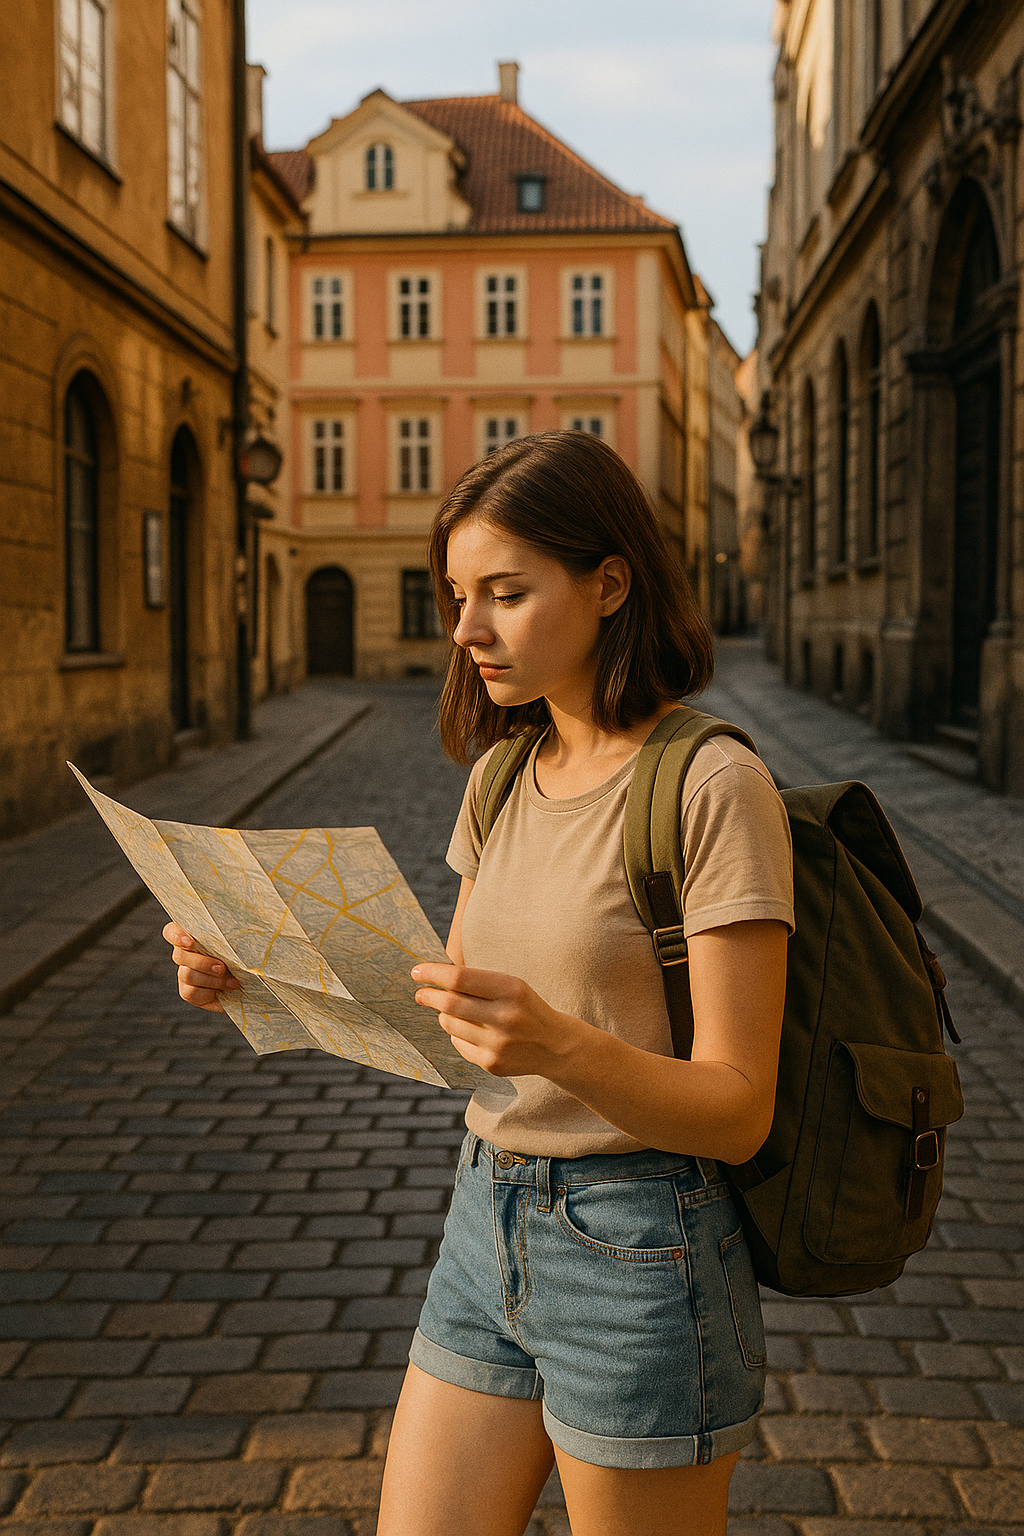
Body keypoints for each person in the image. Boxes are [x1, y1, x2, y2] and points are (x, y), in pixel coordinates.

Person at [164, 431, 793, 1536]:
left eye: (505, 592)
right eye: (457, 594)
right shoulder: (502, 774)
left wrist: (563, 1047)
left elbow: (738, 1109)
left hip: (642, 1247)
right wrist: (255, 975)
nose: (465, 628)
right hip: (486, 1219)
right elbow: (452, 1011)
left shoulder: (712, 784)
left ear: (609, 584)